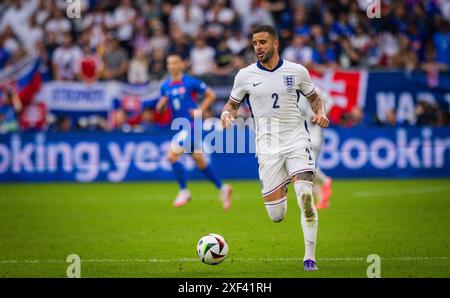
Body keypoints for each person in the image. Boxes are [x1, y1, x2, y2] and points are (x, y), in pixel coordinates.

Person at [220, 25, 329, 271]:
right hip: (267, 148)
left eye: (262, 42)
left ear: (275, 43)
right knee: (276, 215)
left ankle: (309, 257)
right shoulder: (245, 75)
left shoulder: (297, 71)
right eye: (255, 43)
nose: (257, 47)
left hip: (297, 141)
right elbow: (231, 104)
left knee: (306, 196)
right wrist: (226, 115)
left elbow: (314, 98)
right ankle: (284, 183)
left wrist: (320, 112)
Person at [156, 54, 232, 210]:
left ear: (182, 65)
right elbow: (160, 108)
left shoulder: (190, 82)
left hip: (191, 125)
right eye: (169, 63)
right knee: (199, 160)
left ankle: (184, 190)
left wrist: (200, 109)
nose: (172, 66)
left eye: (175, 62)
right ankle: (223, 188)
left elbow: (211, 94)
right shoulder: (165, 86)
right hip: (178, 127)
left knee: (171, 156)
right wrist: (162, 105)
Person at [297, 87, 333, 209]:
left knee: (305, 168)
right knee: (304, 172)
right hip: (302, 134)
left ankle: (325, 180)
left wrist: (320, 114)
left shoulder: (311, 87)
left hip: (314, 135)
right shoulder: (292, 90)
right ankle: (322, 201)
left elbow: (330, 100)